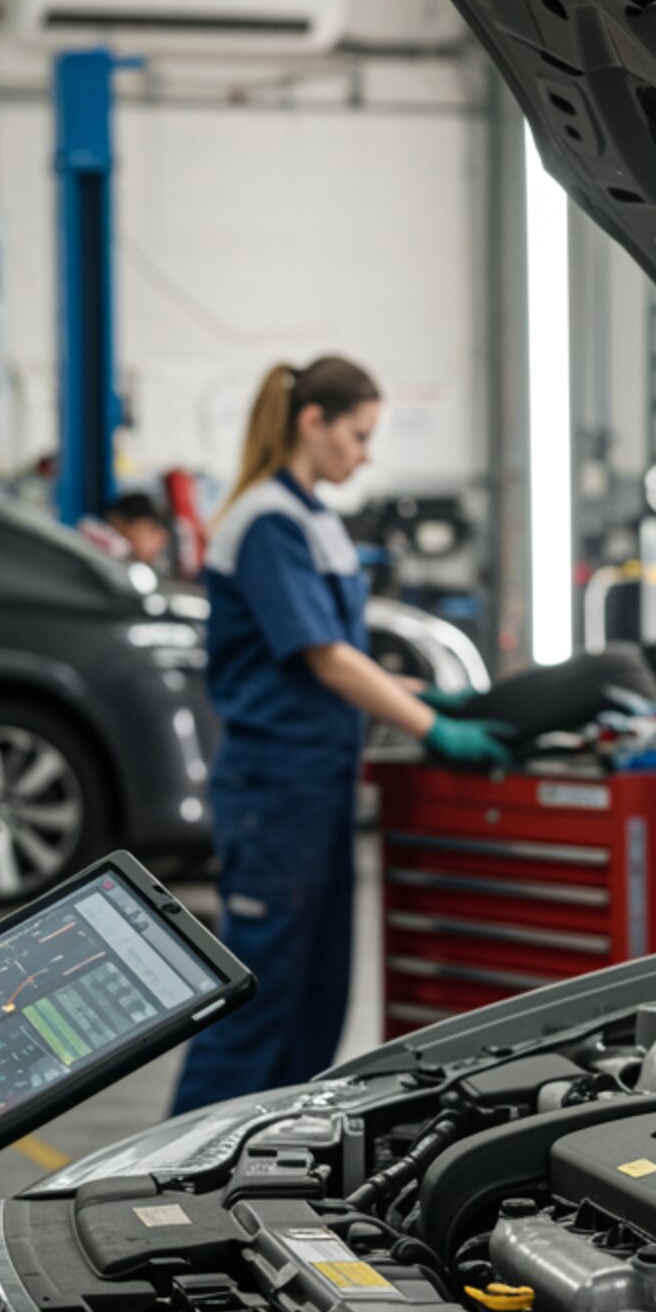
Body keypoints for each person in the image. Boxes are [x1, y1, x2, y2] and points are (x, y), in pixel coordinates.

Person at [169, 357, 511, 1115]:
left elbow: (338, 656)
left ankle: (271, 1153)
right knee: (259, 997)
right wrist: (431, 727)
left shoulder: (312, 517)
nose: (364, 455)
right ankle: (167, 1165)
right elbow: (323, 657)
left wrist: (429, 698)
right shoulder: (266, 521)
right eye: (357, 435)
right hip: (273, 787)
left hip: (317, 784)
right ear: (312, 422)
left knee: (318, 997)